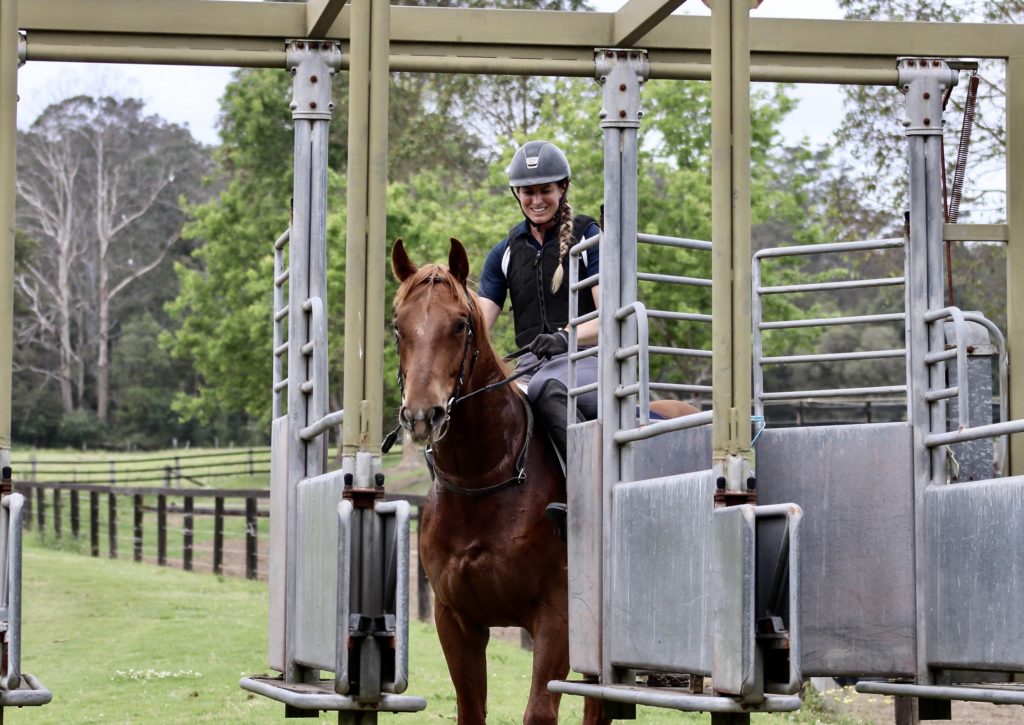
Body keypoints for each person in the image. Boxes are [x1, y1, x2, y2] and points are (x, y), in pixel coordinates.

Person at [477, 140, 601, 537]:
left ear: (562, 188)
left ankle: (588, 499)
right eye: (528, 192)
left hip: (590, 362)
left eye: (545, 190)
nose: (537, 199)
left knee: (546, 389)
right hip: (530, 369)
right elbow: (479, 325)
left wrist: (566, 338)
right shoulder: (503, 254)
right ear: (517, 194)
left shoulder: (589, 238)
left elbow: (611, 316)